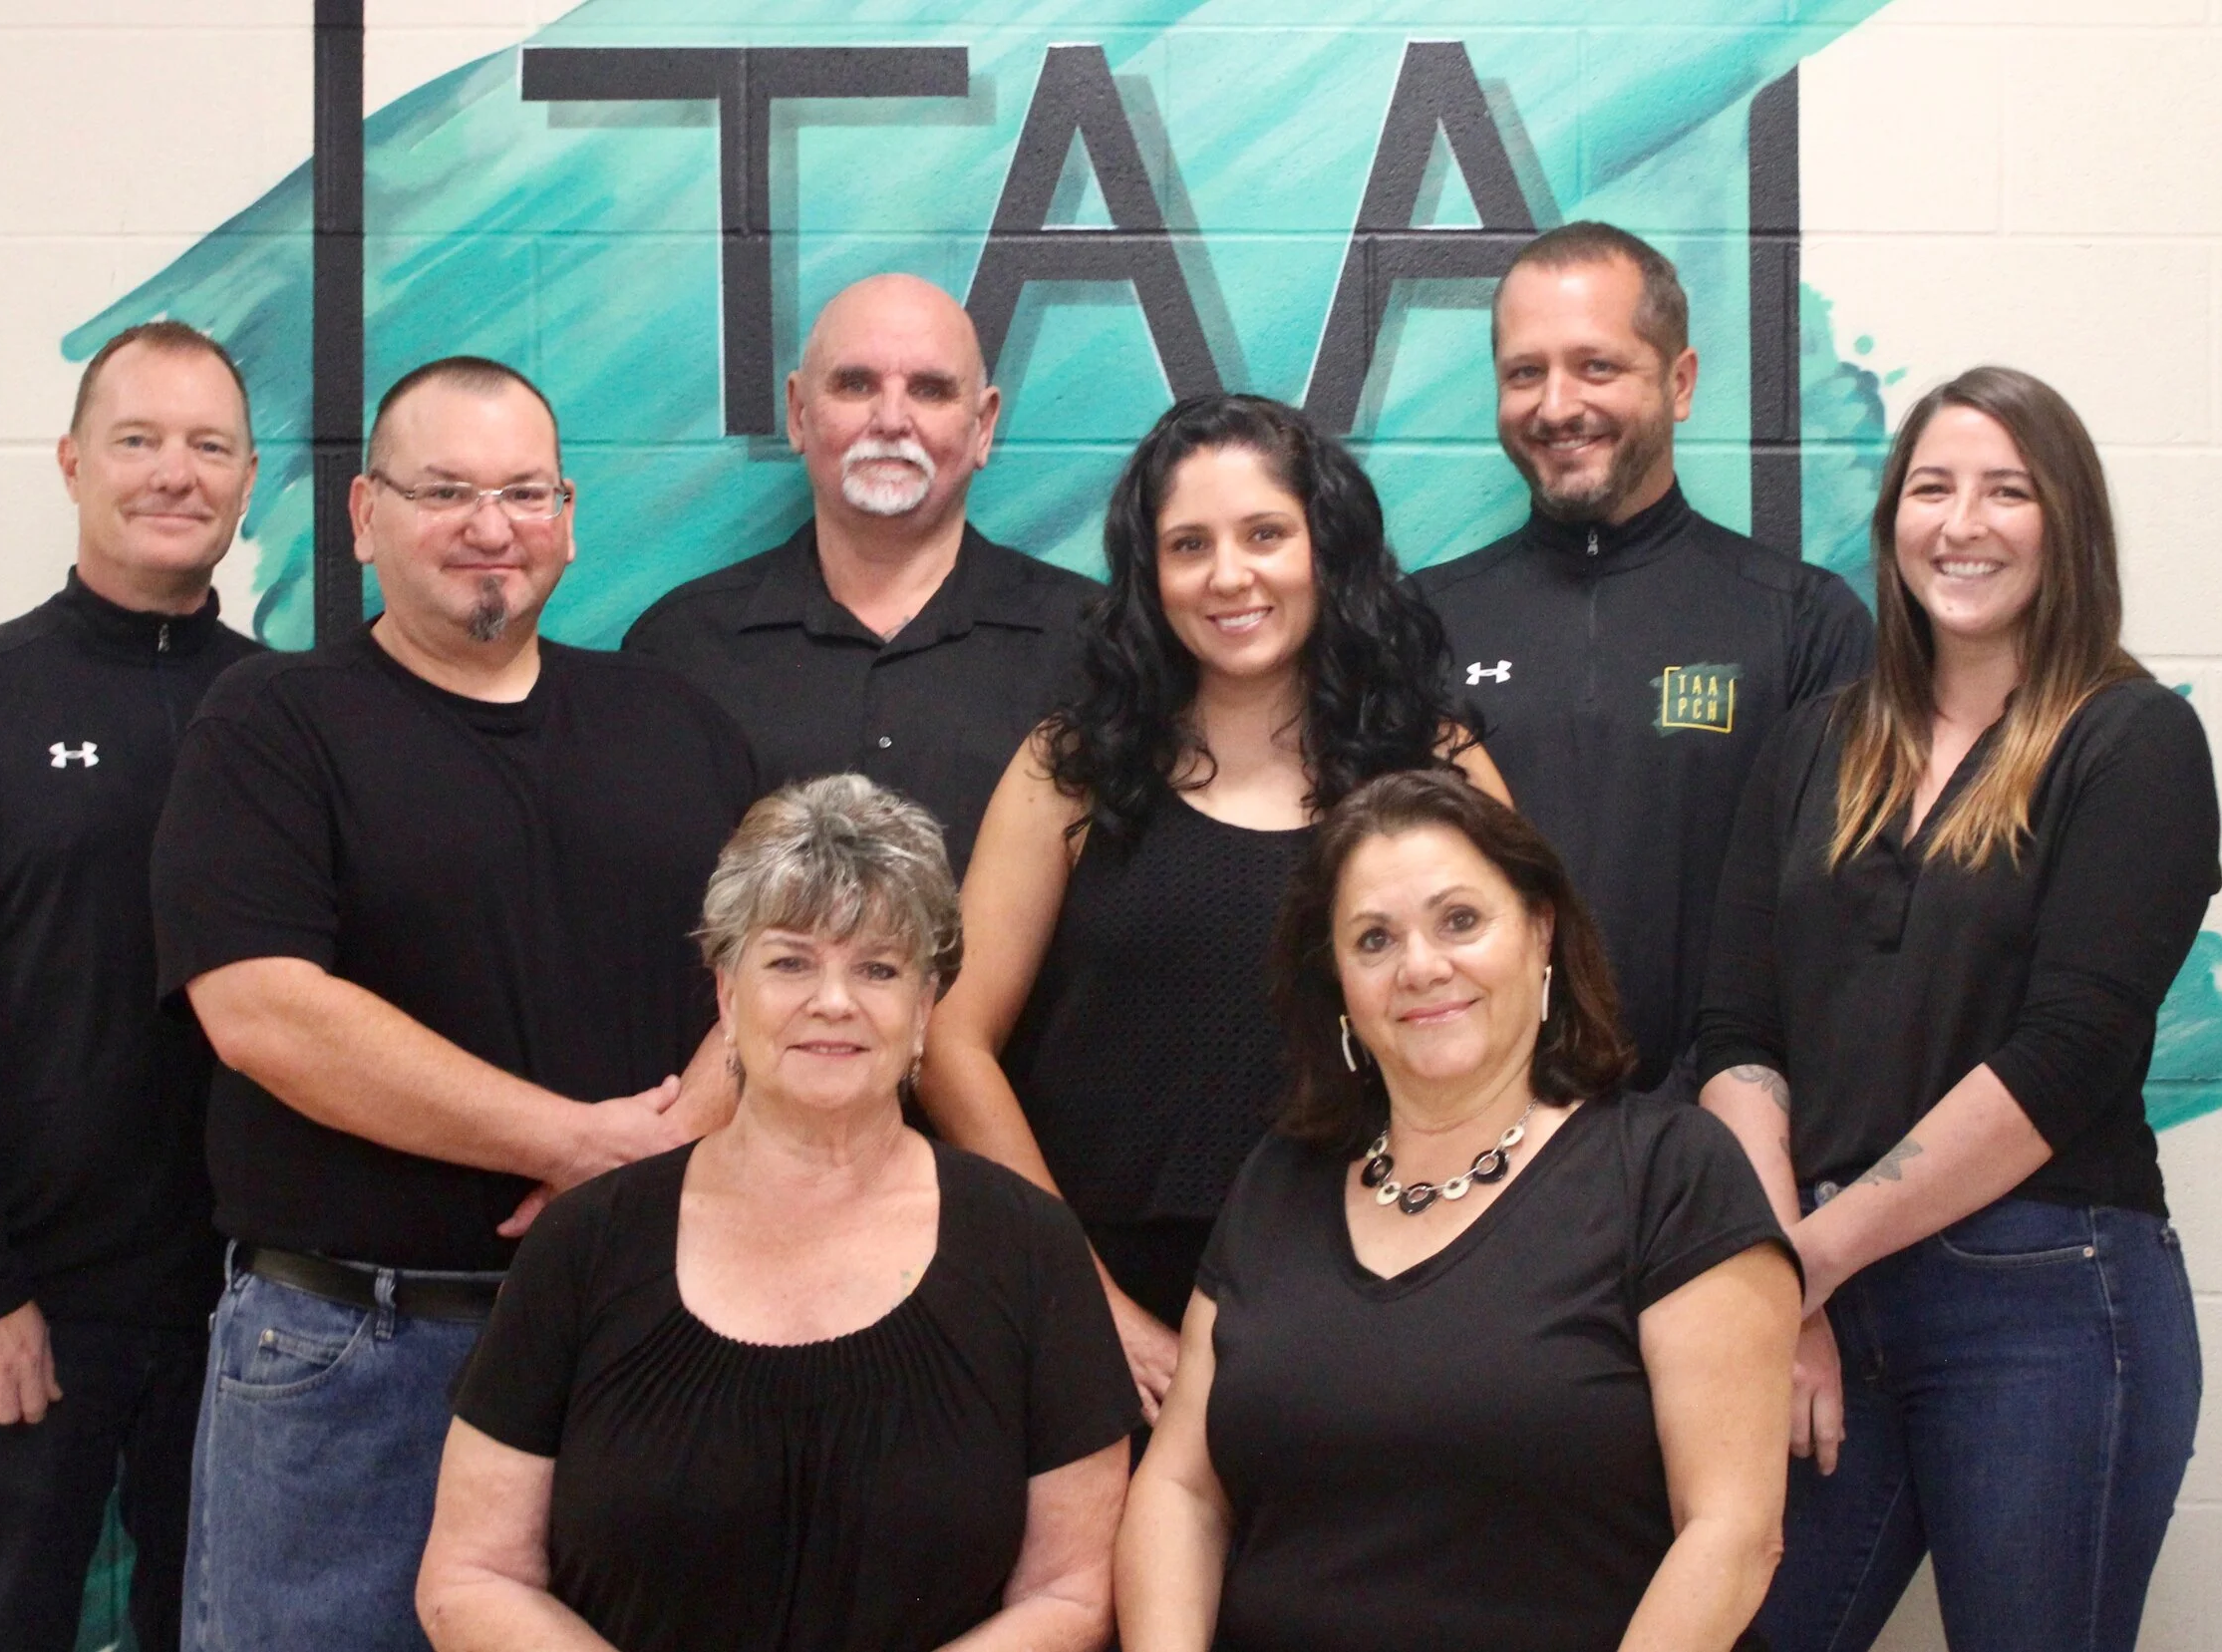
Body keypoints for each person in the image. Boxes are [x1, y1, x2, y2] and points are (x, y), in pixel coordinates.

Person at [151, 357, 759, 1652]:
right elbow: (262, 1009)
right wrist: (573, 1145)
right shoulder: (273, 722)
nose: (493, 525)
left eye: (526, 491)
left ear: (571, 515)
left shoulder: (675, 721)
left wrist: (652, 1148)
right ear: (366, 517)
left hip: (625, 1341)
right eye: (448, 491)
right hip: (349, 1355)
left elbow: (777, 969)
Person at [1698, 366, 2217, 1652]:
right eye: (1931, 487)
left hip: (2043, 1297)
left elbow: (2066, 1057)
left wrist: (1800, 1270)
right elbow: (1736, 1038)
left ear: (2067, 525)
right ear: (1891, 523)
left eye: (2006, 490)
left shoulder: (2130, 739)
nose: (1962, 522)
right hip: (1823, 1287)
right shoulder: (1815, 742)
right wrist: (1789, 1287)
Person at [419, 775, 1137, 1651]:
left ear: (923, 1010)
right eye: (791, 960)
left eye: (877, 967)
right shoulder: (587, 1242)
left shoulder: (1029, 1247)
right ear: (726, 996)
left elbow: (1074, 1593)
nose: (832, 1000)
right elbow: (472, 1576)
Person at [1116, 769, 1800, 1651]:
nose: (1421, 967)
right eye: (1373, 939)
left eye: (1460, 920)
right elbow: (1182, 1490)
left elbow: (1734, 1535)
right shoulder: (1279, 1180)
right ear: (1339, 984)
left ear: (1540, 929)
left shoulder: (1671, 1172)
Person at [919, 393, 1504, 1419]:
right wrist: (1082, 1297)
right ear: (1149, 576)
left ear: (1326, 547)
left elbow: (1523, 1022)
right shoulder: (1072, 767)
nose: (1229, 576)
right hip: (1094, 1300)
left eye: (1265, 534)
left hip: (1373, 1288)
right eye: (1189, 544)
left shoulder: (1433, 760)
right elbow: (952, 1040)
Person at [0, 320, 262, 1651]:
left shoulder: (289, 710)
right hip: (24, 1310)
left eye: (209, 444)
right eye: (138, 440)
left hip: (250, 1313)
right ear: (74, 462)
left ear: (249, 476)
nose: (173, 473)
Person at [1410, 220, 1872, 1089]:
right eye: (1524, 372)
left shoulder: (1806, 624)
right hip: (1478, 1145)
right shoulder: (1418, 626)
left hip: (1720, 1152)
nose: (1555, 405)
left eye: (1597, 365)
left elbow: (1840, 931)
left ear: (1680, 381)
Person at [626, 273, 1099, 873]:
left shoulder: (1093, 645)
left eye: (930, 390)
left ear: (982, 427)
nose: (891, 419)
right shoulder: (681, 649)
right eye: (855, 384)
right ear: (798, 414)